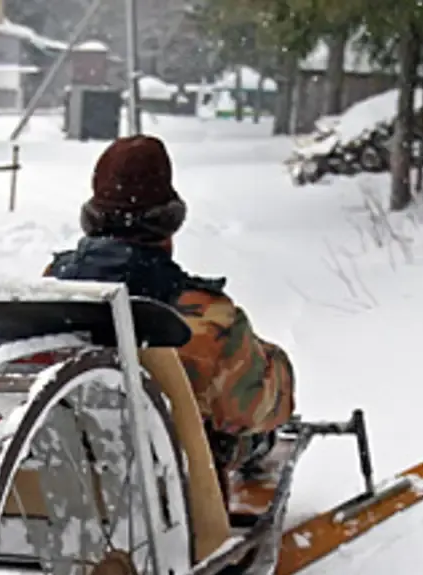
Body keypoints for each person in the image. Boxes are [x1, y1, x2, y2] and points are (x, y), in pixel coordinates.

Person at [44, 135, 296, 475]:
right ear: (168, 225)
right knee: (239, 431)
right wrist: (271, 360)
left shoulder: (47, 294)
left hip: (61, 474)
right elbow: (259, 407)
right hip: (165, 491)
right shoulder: (205, 319)